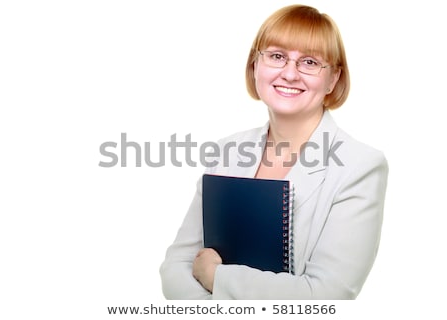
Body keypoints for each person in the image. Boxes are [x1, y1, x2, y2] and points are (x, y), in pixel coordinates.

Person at [159, 4, 388, 299]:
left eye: (309, 62)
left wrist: (217, 277)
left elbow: (327, 295)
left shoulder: (360, 167)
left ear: (333, 79)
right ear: (255, 65)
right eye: (277, 56)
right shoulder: (226, 152)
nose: (290, 74)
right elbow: (175, 267)